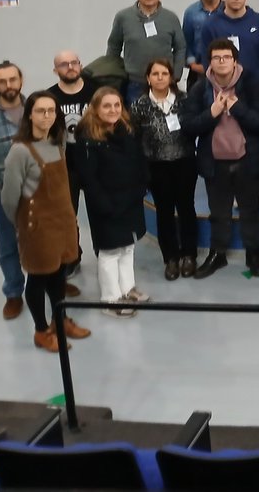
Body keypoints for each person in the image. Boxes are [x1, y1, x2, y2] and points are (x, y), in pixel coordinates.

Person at [0, 93, 89, 351]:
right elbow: (9, 198)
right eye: (41, 111)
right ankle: (41, 331)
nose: (47, 116)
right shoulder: (19, 150)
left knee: (59, 273)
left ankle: (59, 320)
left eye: (51, 111)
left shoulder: (56, 141)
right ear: (30, 114)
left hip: (62, 223)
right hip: (37, 227)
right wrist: (24, 226)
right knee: (39, 279)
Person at [181, 38, 259, 279]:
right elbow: (188, 126)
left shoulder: (250, 84)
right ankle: (217, 253)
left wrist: (238, 109)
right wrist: (211, 114)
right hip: (215, 162)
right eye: (216, 58)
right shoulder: (200, 89)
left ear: (234, 61)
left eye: (226, 57)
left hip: (247, 160)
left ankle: (254, 253)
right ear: (209, 62)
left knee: (249, 211)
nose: (222, 62)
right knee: (218, 212)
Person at [77, 88, 150, 316]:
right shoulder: (88, 138)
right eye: (107, 106)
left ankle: (127, 289)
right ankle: (111, 299)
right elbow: (88, 178)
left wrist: (140, 188)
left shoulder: (126, 131)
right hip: (106, 204)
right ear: (96, 109)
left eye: (117, 105)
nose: (113, 110)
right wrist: (104, 205)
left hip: (129, 201)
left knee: (127, 248)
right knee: (109, 252)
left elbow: (139, 162)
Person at [130, 58, 197, 280]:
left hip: (184, 162)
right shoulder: (139, 105)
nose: (160, 78)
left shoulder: (184, 100)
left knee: (186, 209)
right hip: (156, 166)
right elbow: (135, 138)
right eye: (155, 74)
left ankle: (189, 255)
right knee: (164, 212)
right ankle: (170, 258)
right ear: (148, 78)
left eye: (164, 73)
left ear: (171, 77)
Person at [46, 50, 96, 275]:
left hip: (96, 164)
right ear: (55, 70)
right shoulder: (49, 97)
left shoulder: (96, 90)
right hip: (65, 166)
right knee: (68, 215)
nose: (70, 67)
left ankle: (105, 254)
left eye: (73, 62)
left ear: (80, 64)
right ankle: (72, 256)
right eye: (63, 64)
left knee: (100, 213)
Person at [0, 61, 28, 319]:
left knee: (43, 243)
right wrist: (0, 188)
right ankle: (14, 293)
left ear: (20, 79)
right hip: (3, 194)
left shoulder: (36, 109)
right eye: (2, 81)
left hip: (37, 191)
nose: (8, 85)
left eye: (12, 79)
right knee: (8, 245)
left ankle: (47, 285)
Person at [106, 0, 187, 103]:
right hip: (134, 83)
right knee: (134, 121)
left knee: (166, 120)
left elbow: (180, 48)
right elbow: (113, 47)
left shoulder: (171, 18)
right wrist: (113, 75)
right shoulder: (123, 17)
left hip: (164, 83)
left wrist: (175, 75)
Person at [183, 0, 222, 88]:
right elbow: (186, 41)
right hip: (199, 72)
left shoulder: (228, 11)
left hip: (226, 72)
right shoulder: (191, 12)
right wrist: (193, 64)